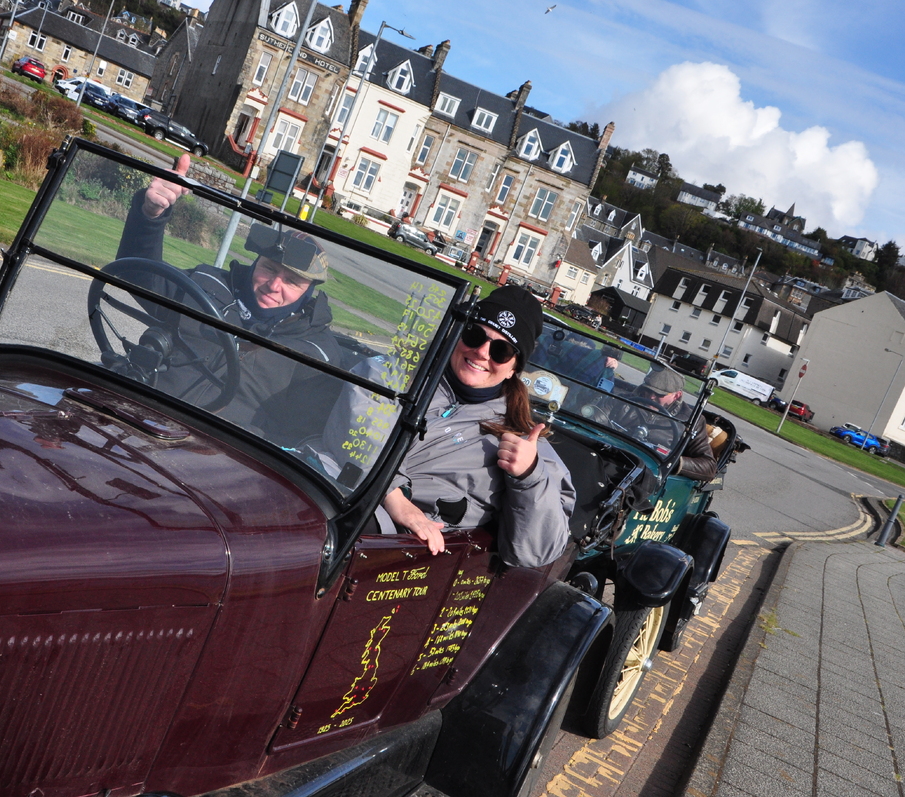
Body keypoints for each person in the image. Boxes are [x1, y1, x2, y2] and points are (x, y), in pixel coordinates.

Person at [111, 154, 339, 441]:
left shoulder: (317, 352)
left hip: (221, 455)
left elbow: (302, 439)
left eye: (292, 281)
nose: (274, 286)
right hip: (139, 413)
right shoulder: (207, 285)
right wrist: (150, 215)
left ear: (309, 290)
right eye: (268, 269)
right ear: (255, 262)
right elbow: (136, 273)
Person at [375, 286, 576, 569]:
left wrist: (529, 475)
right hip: (348, 499)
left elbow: (538, 550)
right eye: (475, 335)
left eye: (501, 350)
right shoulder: (399, 374)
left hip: (401, 553)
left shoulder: (524, 442)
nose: (482, 352)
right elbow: (354, 427)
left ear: (514, 368)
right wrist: (393, 495)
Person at [619, 366, 718, 482]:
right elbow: (597, 418)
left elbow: (709, 466)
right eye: (648, 390)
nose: (651, 397)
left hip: (649, 477)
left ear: (676, 395)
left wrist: (670, 460)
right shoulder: (624, 402)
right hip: (615, 456)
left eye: (659, 394)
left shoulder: (691, 420)